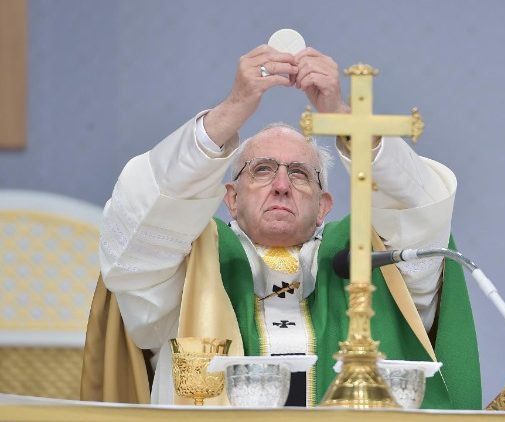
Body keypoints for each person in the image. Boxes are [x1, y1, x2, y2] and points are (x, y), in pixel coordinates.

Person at [84, 45, 481, 409]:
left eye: (299, 173)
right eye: (261, 170)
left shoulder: (369, 259)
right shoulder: (186, 264)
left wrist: (344, 117)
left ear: (324, 205)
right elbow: (136, 235)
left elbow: (420, 210)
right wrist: (233, 109)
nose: (280, 185)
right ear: (231, 198)